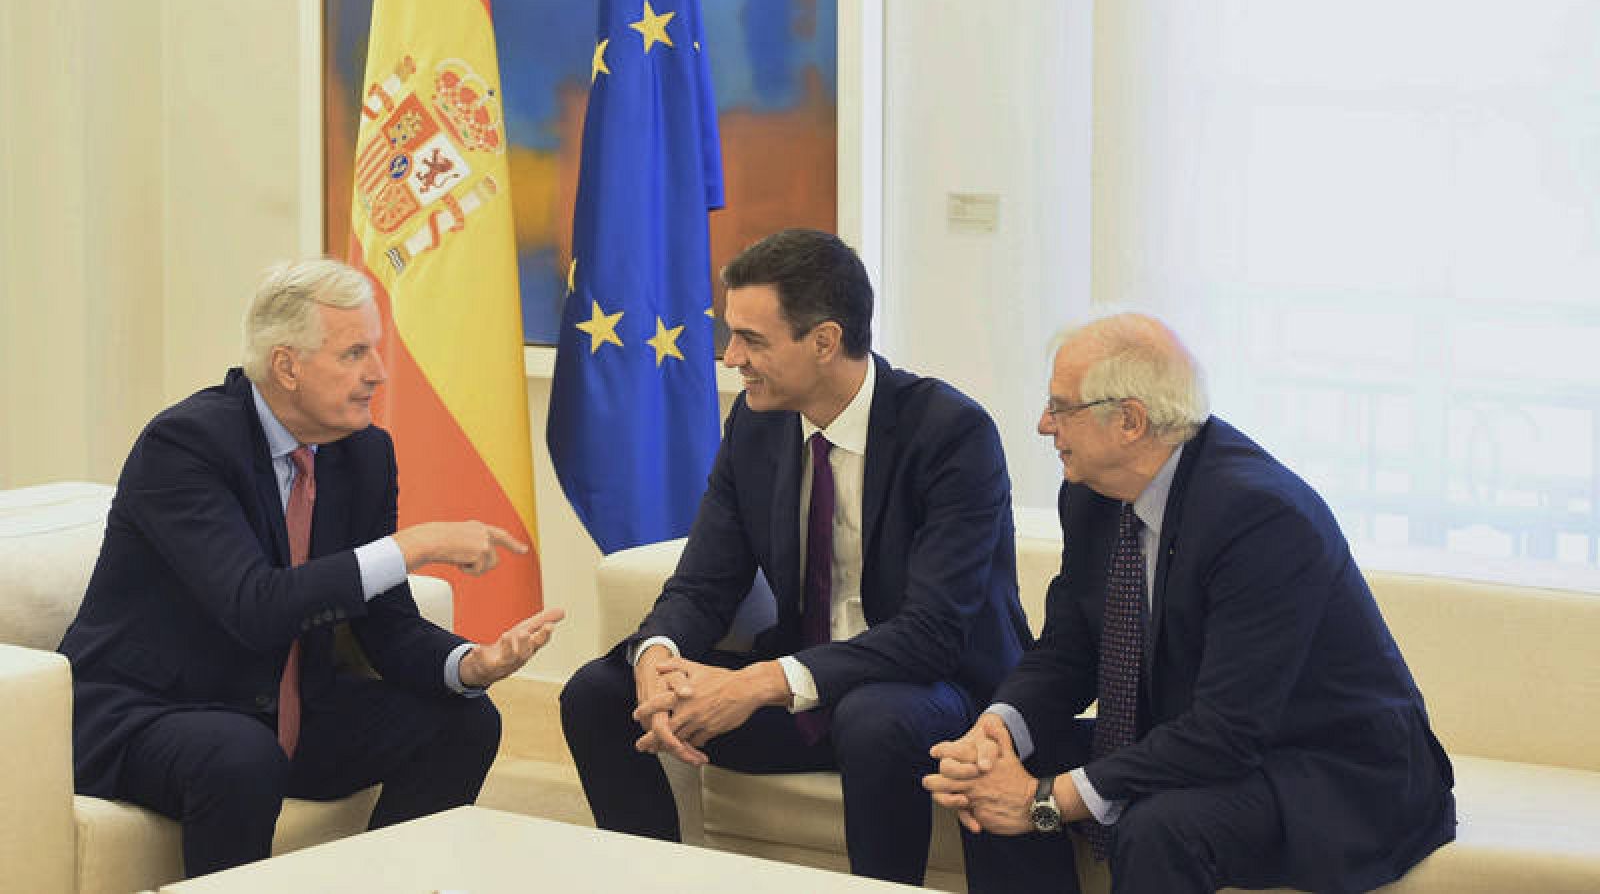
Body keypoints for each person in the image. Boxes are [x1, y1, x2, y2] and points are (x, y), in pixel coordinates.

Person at [57, 258, 563, 878]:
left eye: (374, 350)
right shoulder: (185, 446)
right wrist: (415, 544)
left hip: (286, 708)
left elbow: (387, 622)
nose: (378, 374)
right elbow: (255, 606)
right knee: (242, 755)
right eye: (354, 354)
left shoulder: (364, 453)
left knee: (464, 721)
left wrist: (468, 663)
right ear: (287, 366)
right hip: (154, 711)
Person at [924, 313, 1456, 894]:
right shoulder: (1091, 495)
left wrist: (1044, 802)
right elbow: (1069, 651)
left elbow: (1227, 732)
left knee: (1159, 828)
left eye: (1060, 406)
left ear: (1129, 420)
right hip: (1202, 737)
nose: (1043, 425)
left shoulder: (1261, 517)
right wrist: (1000, 732)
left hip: (1326, 765)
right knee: (983, 776)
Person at [560, 228, 1031, 885]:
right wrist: (658, 653)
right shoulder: (756, 425)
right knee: (598, 693)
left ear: (825, 341)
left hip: (937, 690)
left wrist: (760, 683)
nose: (730, 358)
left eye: (752, 339)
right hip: (805, 693)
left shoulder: (950, 433)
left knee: (874, 718)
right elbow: (704, 582)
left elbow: (933, 633)